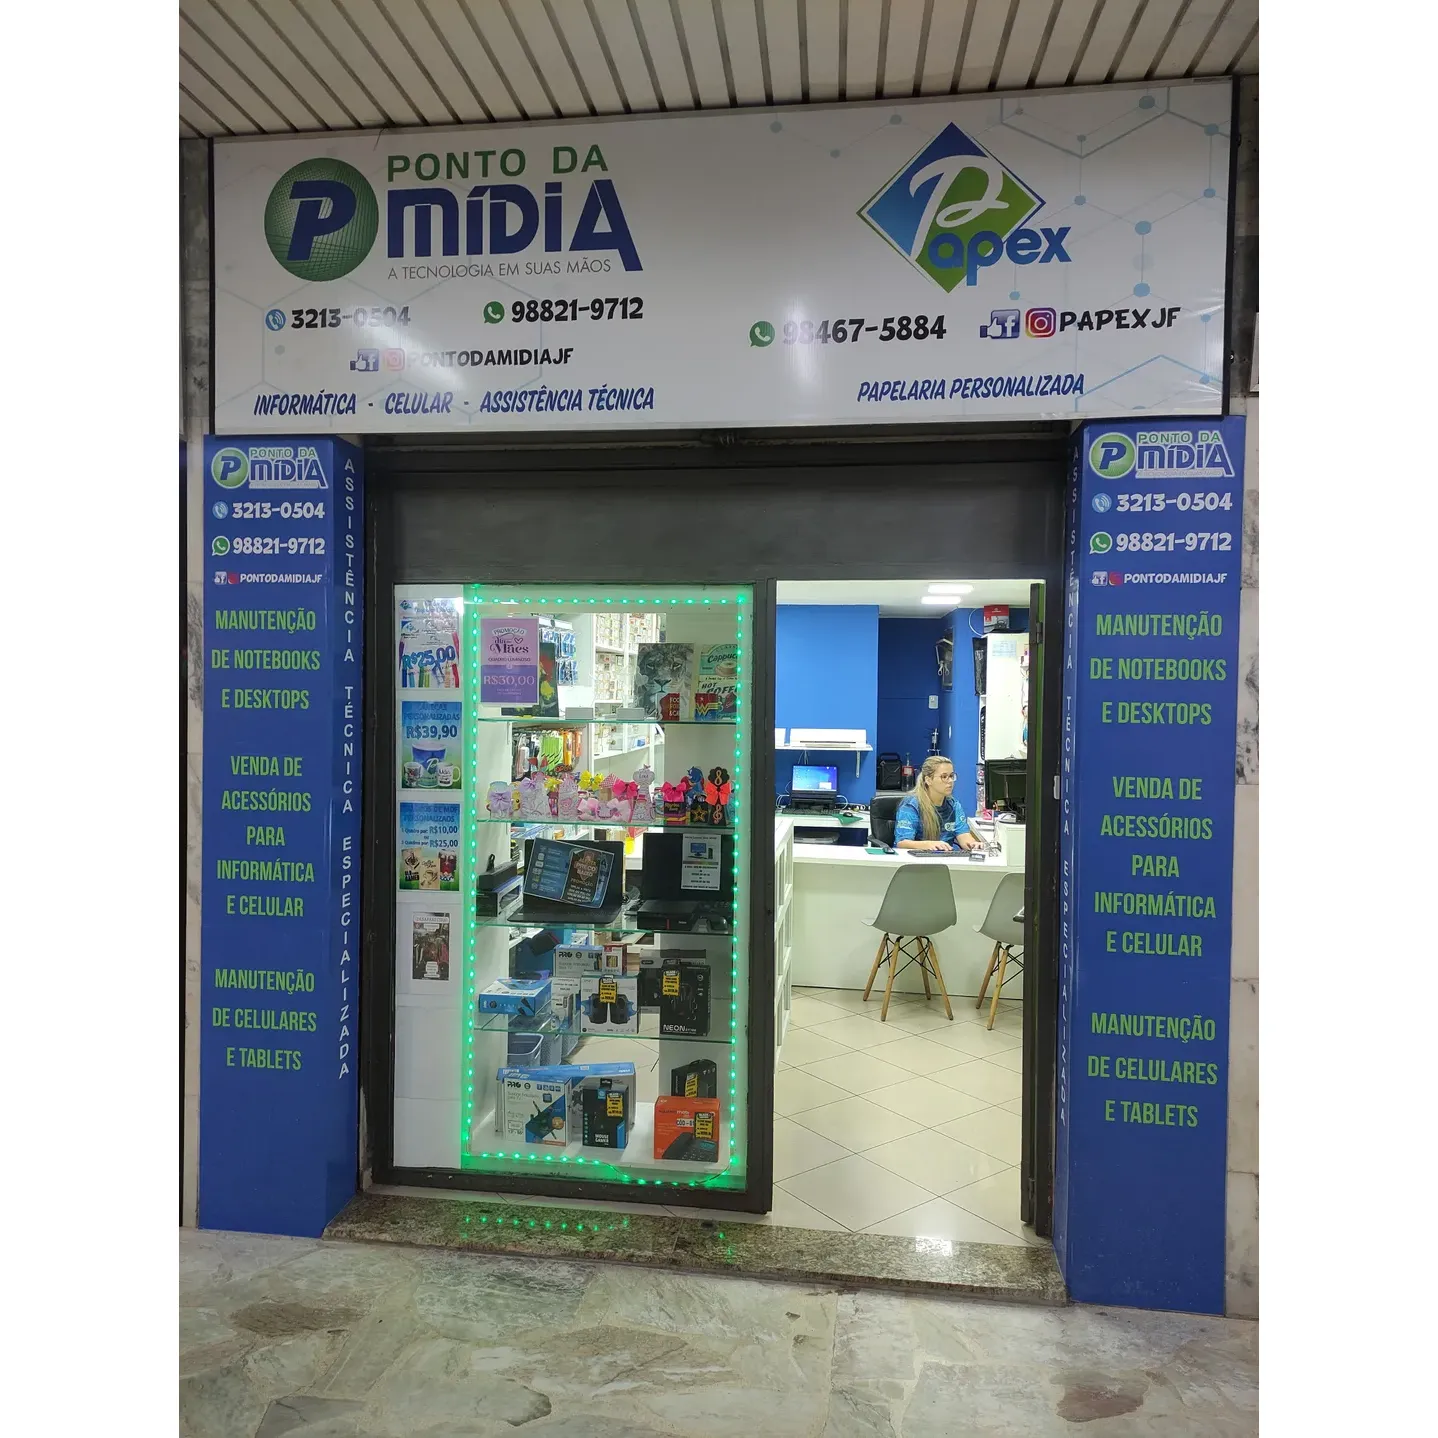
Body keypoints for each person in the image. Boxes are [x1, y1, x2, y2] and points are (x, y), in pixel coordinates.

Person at [892, 754, 980, 853]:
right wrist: (930, 844)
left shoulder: (954, 805)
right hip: (916, 858)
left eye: (951, 776)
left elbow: (963, 834)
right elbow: (902, 843)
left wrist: (973, 844)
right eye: (944, 777)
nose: (950, 781)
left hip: (946, 857)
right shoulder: (911, 805)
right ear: (928, 780)